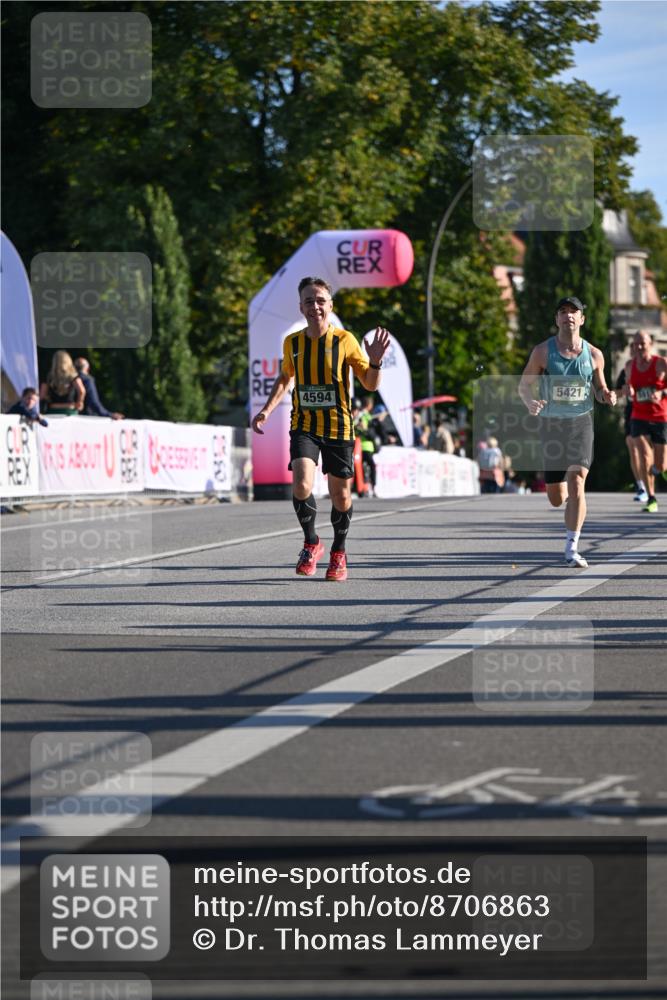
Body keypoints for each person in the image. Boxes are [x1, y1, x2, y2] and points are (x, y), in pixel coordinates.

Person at [252, 276, 390, 580]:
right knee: (301, 485)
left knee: (341, 496)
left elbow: (369, 384)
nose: (315, 306)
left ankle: (339, 551)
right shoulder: (293, 343)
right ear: (301, 307)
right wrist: (265, 411)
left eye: (320, 301)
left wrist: (376, 363)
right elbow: (285, 379)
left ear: (330, 305)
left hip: (339, 428)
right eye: (309, 301)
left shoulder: (345, 340)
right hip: (304, 425)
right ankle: (311, 542)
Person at [519, 296, 616, 568]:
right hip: (552, 427)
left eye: (574, 311)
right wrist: (530, 402)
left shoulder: (594, 355)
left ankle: (571, 548)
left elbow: (599, 389)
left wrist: (606, 395)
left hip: (581, 425)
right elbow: (524, 385)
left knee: (577, 482)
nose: (568, 315)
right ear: (557, 319)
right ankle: (565, 501)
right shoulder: (542, 352)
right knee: (556, 497)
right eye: (563, 311)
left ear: (582, 319)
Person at [622, 329, 667, 513]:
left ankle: (658, 470)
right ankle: (651, 497)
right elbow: (628, 388)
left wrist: (662, 393)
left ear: (651, 344)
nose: (639, 347)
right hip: (638, 416)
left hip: (660, 416)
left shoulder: (661, 363)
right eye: (636, 344)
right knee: (644, 455)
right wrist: (629, 391)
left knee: (661, 465)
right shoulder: (629, 366)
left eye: (643, 343)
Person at [616, 341, 647, 502]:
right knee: (633, 449)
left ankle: (654, 475)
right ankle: (641, 486)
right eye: (633, 351)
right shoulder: (625, 371)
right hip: (632, 413)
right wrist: (623, 391)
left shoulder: (652, 369)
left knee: (648, 453)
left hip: (651, 414)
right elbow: (616, 392)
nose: (636, 353)